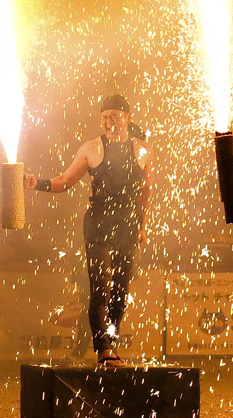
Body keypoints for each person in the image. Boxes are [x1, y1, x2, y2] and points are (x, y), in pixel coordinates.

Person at [24, 94, 153, 366]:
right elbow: (64, 180)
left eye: (115, 116)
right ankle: (103, 349)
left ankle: (111, 345)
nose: (109, 121)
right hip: (99, 223)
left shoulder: (142, 150)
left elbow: (145, 193)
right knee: (100, 288)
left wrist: (143, 227)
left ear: (128, 118)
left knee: (121, 289)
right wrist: (38, 183)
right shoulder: (91, 148)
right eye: (105, 117)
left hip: (128, 224)